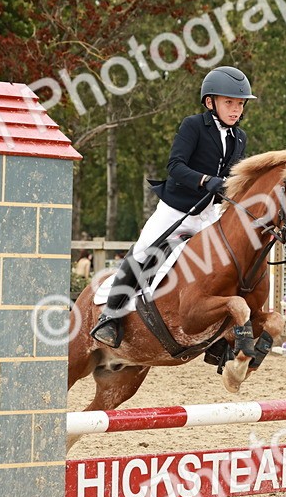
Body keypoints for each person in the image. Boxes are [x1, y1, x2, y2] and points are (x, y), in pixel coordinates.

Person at [90, 65, 255, 348]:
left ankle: (220, 335)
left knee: (225, 262)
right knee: (144, 250)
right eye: (229, 102)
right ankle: (110, 317)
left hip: (209, 213)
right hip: (176, 208)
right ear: (210, 102)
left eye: (240, 104)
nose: (236, 110)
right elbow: (175, 166)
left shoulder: (240, 138)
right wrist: (206, 180)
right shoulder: (193, 126)